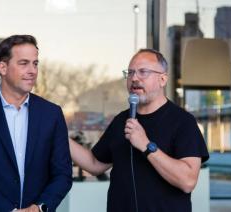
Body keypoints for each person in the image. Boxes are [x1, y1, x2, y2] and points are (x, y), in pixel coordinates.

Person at [70, 49, 209, 212]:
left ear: (162, 79)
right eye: (130, 73)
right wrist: (59, 136)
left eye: (143, 72)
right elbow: (94, 164)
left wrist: (146, 145)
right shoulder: (121, 120)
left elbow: (187, 181)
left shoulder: (183, 121)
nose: (134, 78)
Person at [0, 35, 72, 212]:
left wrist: (40, 208)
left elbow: (62, 174)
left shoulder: (52, 114)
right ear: (3, 67)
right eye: (24, 63)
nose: (32, 70)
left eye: (35, 63)